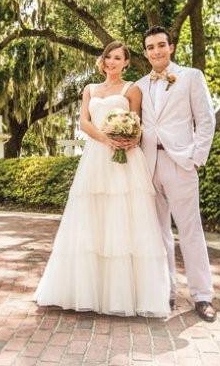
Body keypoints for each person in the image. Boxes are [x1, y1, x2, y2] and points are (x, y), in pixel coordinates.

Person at [34, 41, 170, 318]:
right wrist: (106, 138)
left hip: (123, 160)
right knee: (91, 218)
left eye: (118, 58)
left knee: (122, 219)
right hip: (96, 156)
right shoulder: (90, 90)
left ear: (126, 62)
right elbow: (84, 123)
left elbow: (138, 123)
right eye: (108, 57)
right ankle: (86, 291)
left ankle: (124, 295)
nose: (111, 62)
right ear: (103, 60)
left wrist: (128, 137)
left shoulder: (132, 89)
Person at [137, 26, 217, 322]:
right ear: (145, 52)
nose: (156, 51)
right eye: (150, 47)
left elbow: (206, 120)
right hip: (148, 165)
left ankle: (202, 295)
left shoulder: (191, 76)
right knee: (158, 233)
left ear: (170, 47)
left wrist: (196, 158)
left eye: (161, 45)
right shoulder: (140, 85)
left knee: (190, 230)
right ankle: (166, 290)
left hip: (181, 163)